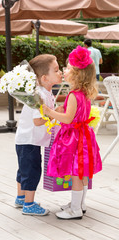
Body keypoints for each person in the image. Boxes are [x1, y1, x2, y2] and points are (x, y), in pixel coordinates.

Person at [42, 46, 102, 220]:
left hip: (75, 138)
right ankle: (80, 204)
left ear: (77, 74)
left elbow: (68, 119)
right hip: (84, 136)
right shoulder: (83, 93)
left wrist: (50, 112)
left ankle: (75, 209)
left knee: (76, 174)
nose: (64, 70)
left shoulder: (74, 95)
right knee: (82, 173)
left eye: (67, 68)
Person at [15, 54, 62, 216]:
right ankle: (29, 204)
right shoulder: (39, 96)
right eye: (56, 70)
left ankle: (21, 198)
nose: (61, 72)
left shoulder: (45, 93)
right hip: (29, 141)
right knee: (32, 171)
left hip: (26, 140)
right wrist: (55, 114)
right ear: (44, 78)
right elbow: (38, 120)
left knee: (23, 170)